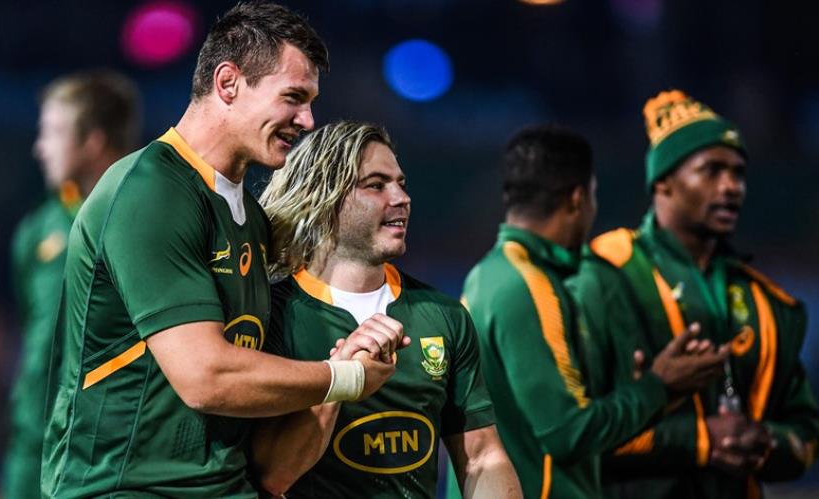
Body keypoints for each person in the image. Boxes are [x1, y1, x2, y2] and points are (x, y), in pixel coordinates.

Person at [42, 4, 404, 497]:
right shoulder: (150, 191)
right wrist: (344, 377)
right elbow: (205, 376)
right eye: (293, 98)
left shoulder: (249, 217)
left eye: (311, 102)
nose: (307, 120)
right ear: (228, 83)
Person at [570, 90, 819, 498]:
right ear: (663, 182)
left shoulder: (767, 303)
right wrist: (699, 438)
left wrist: (763, 441)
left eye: (739, 173)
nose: (731, 187)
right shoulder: (601, 277)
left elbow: (806, 434)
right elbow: (569, 430)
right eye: (711, 170)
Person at [254, 121, 521, 498]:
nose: (402, 197)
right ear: (325, 198)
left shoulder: (443, 315)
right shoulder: (272, 314)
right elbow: (272, 476)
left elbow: (481, 457)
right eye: (376, 185)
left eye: (401, 183)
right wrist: (341, 377)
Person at [461, 125, 731, 499]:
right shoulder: (529, 288)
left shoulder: (488, 276)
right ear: (578, 198)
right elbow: (568, 434)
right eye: (594, 194)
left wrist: (640, 390)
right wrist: (659, 385)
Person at [2, 70, 141, 499]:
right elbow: (31, 328)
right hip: (36, 438)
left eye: (53, 132)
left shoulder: (148, 220)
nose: (39, 147)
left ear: (93, 141)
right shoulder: (38, 230)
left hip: (116, 450)